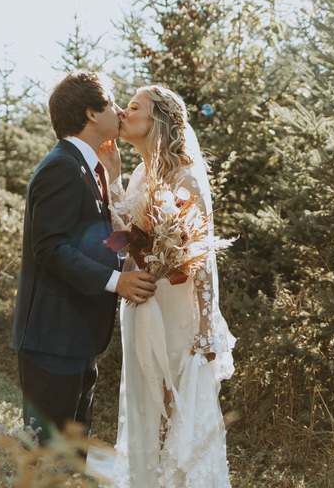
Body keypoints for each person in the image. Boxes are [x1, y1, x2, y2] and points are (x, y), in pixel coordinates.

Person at [97, 85, 235, 487]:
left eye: (134, 106)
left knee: (174, 406)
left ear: (157, 119)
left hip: (177, 307)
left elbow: (204, 257)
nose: (123, 110)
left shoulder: (185, 176)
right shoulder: (141, 172)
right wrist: (116, 178)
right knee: (146, 404)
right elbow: (126, 236)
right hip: (142, 303)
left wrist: (207, 327)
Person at [10, 70, 158, 445]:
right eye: (112, 103)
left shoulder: (87, 168)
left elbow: (87, 242)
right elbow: (50, 249)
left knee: (70, 457)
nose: (120, 111)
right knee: (45, 460)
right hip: (52, 340)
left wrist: (127, 263)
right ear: (92, 113)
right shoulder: (62, 166)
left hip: (75, 336)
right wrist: (117, 282)